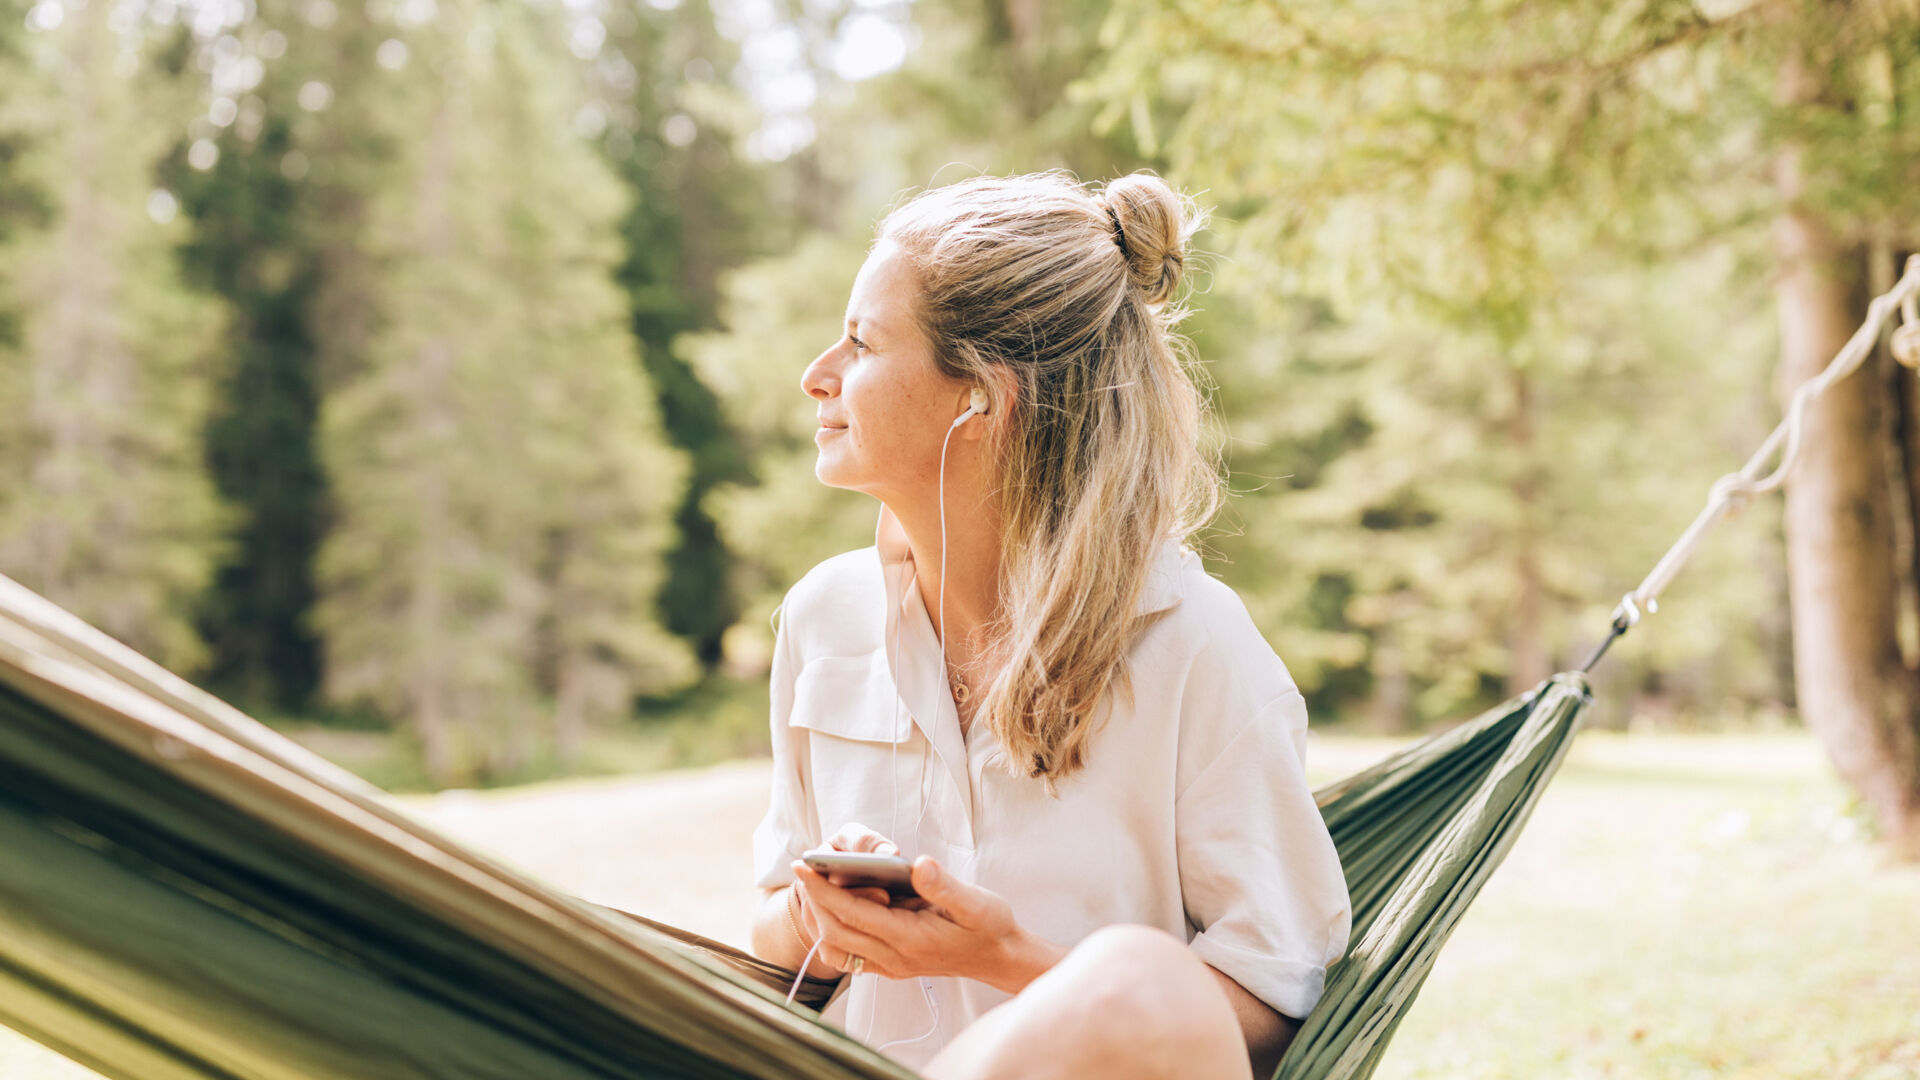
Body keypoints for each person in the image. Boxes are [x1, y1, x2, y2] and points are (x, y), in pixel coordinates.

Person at [746, 171, 1350, 1080]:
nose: (817, 374)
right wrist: (822, 924)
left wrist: (999, 956)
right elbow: (768, 931)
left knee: (1142, 976)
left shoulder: (1193, 644)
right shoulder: (824, 619)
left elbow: (1270, 993)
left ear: (982, 399)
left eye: (862, 343)